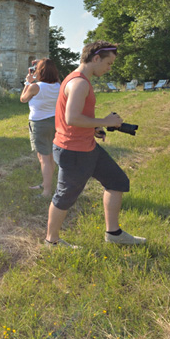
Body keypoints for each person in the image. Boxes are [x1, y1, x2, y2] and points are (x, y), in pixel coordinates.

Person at [45, 41, 146, 246]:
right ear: (96, 58)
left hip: (86, 145)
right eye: (108, 63)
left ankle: (113, 234)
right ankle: (52, 242)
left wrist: (93, 128)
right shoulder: (79, 83)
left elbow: (75, 118)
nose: (109, 69)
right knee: (64, 197)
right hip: (73, 150)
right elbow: (72, 118)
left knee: (117, 182)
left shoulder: (79, 80)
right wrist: (105, 122)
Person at [19, 59, 61, 198]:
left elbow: (23, 99)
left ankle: (46, 192)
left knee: (44, 159)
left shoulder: (35, 87)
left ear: (40, 72)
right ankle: (45, 183)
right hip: (54, 122)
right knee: (48, 156)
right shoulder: (58, 85)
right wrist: (43, 61)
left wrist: (27, 82)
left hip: (39, 123)